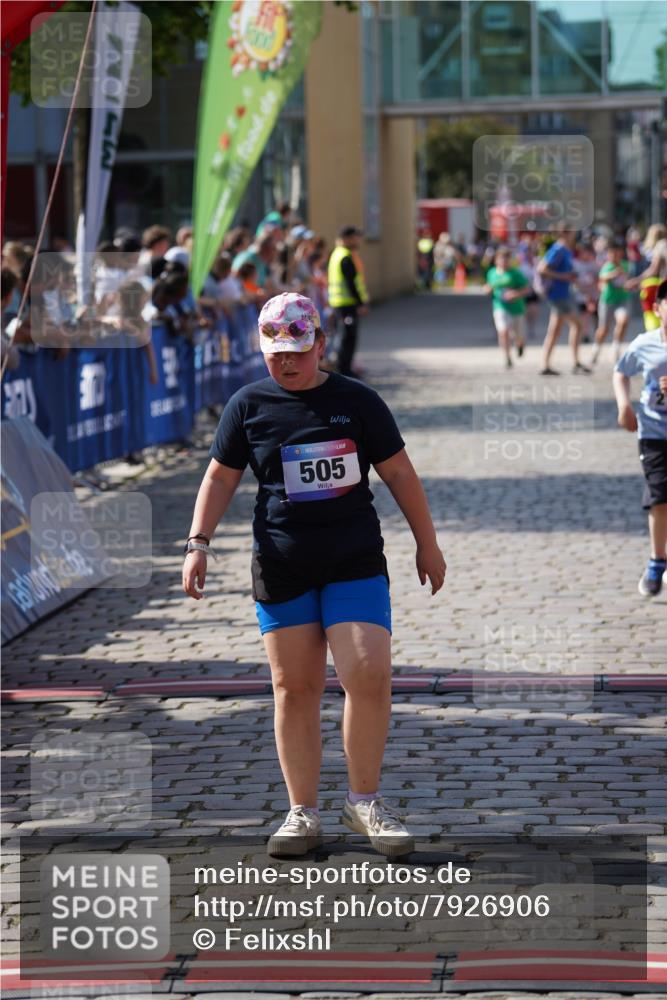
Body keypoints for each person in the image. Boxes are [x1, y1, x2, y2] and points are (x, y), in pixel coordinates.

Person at [182, 292, 446, 858]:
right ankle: (302, 813)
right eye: (276, 352)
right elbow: (220, 478)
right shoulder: (247, 405)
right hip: (282, 562)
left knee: (368, 674)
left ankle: (365, 801)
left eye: (298, 350)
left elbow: (399, 473)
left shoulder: (357, 401)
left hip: (353, 557)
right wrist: (197, 543)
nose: (287, 362)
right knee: (294, 688)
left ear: (320, 344)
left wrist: (428, 543)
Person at [613, 278, 667, 597]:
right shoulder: (644, 344)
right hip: (654, 432)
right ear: (658, 309)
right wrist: (624, 405)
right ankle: (656, 561)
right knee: (660, 497)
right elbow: (621, 372)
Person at [537, 227, 590, 376]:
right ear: (565, 233)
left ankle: (546, 364)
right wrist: (565, 276)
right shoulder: (558, 249)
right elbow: (542, 269)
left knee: (555, 330)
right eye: (572, 231)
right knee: (577, 325)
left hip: (563, 294)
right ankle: (575, 362)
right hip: (557, 295)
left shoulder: (566, 250)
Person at [327, 225, 369, 377]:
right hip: (346, 304)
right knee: (347, 338)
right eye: (355, 237)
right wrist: (360, 303)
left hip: (340, 303)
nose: (358, 240)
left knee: (344, 337)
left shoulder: (336, 254)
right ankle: (345, 371)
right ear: (346, 239)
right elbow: (351, 283)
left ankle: (345, 369)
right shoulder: (345, 256)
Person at [483, 246, 529, 367]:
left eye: (506, 259)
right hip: (500, 307)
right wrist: (487, 289)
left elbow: (526, 289)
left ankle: (520, 345)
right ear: (496, 260)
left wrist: (516, 293)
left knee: (518, 335)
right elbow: (488, 287)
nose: (503, 261)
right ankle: (507, 357)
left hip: (517, 308)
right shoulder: (492, 273)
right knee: (503, 331)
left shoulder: (515, 274)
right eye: (501, 259)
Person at [591, 240, 631, 365]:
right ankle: (596, 349)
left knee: (623, 321)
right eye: (611, 253)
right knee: (603, 329)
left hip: (622, 300)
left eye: (616, 253)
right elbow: (603, 277)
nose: (614, 256)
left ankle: (616, 349)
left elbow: (629, 279)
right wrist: (614, 274)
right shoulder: (607, 266)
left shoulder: (626, 265)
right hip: (607, 301)